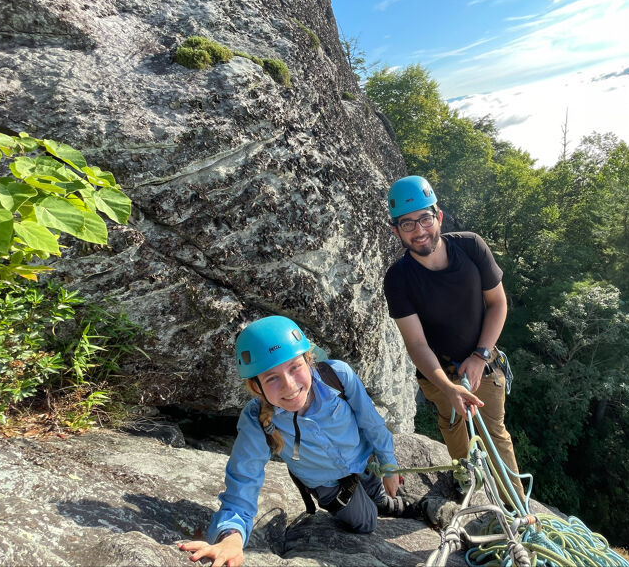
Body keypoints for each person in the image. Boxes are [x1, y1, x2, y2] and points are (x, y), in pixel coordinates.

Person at [178, 315, 413, 567]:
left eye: (294, 368)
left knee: (376, 489)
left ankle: (382, 500)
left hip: (364, 461)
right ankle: (378, 504)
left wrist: (389, 464)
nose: (289, 386)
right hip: (331, 485)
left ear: (308, 360)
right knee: (367, 523)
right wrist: (231, 538)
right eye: (271, 378)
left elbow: (371, 421)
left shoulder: (338, 377)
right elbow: (243, 481)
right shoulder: (258, 420)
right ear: (256, 387)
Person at [383, 175, 526, 503]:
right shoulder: (398, 279)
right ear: (396, 231)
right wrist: (449, 387)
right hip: (436, 373)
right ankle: (466, 471)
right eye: (407, 224)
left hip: (484, 363)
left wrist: (480, 356)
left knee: (495, 435)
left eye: (425, 218)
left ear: (439, 216)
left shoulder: (471, 247)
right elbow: (417, 344)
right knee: (451, 423)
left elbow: (498, 303)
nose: (419, 231)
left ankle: (517, 511)